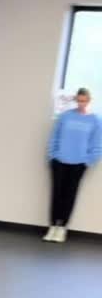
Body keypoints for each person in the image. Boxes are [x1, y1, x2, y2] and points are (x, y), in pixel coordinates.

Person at [45, 87, 102, 243]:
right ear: (76, 100)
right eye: (79, 100)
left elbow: (97, 145)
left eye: (84, 101)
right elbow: (54, 137)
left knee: (70, 195)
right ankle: (52, 227)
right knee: (56, 194)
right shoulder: (65, 116)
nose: (81, 103)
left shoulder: (95, 120)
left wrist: (88, 161)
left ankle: (62, 228)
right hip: (59, 161)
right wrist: (52, 156)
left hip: (78, 164)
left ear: (89, 101)